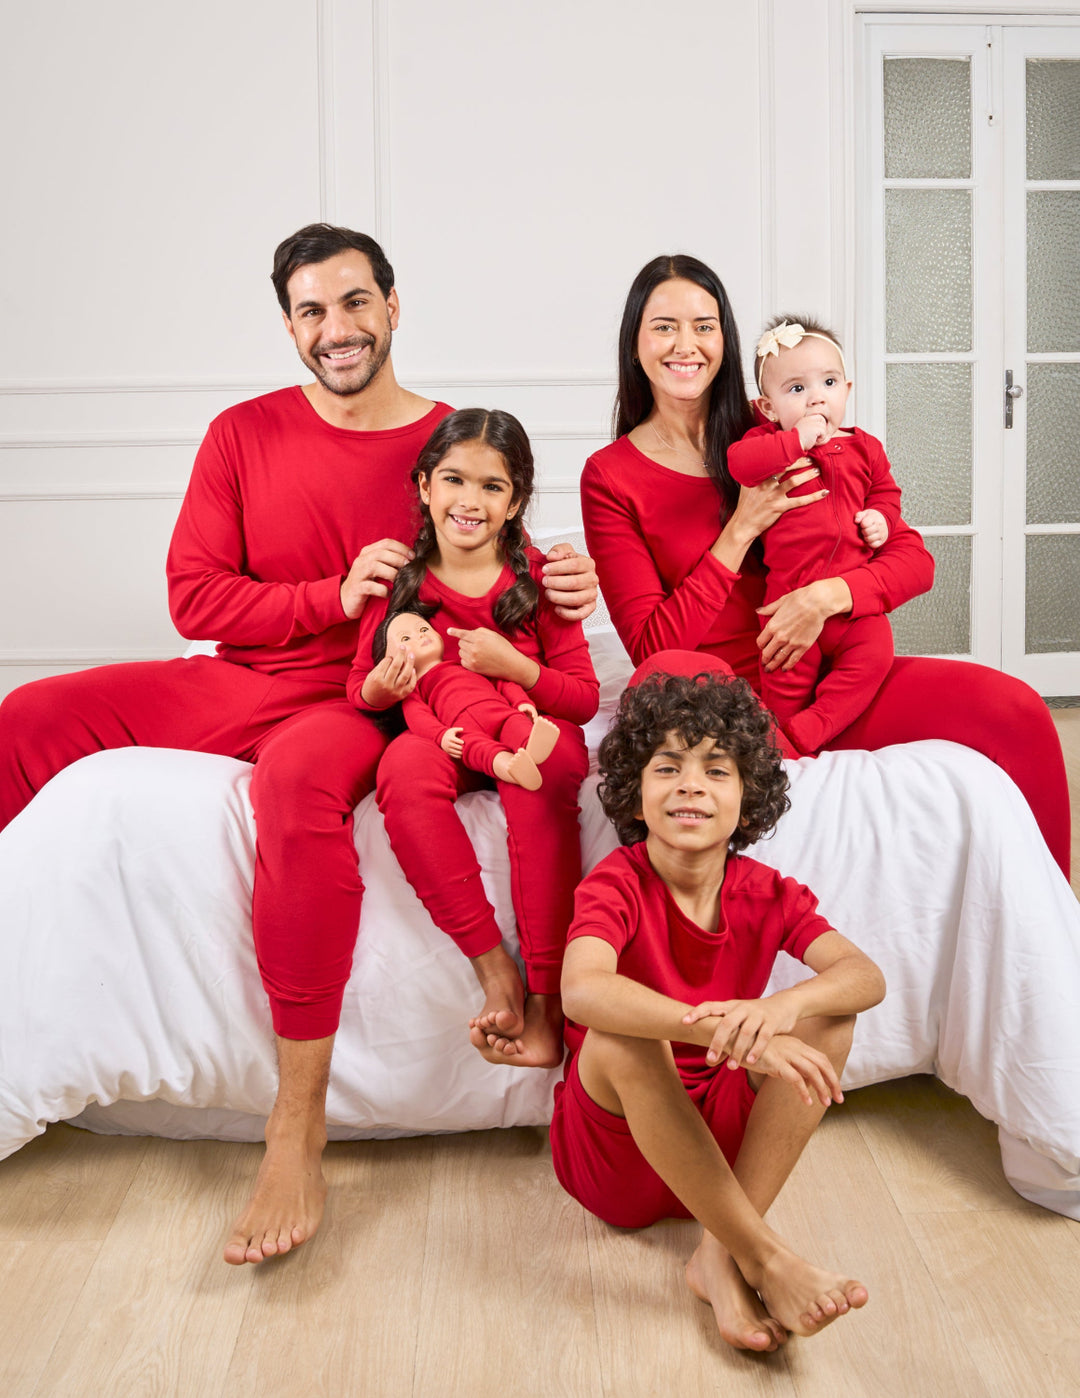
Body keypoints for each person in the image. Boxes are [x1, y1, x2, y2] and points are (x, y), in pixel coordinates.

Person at [0, 224, 598, 1265]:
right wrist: (329, 593)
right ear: (289, 324)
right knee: (29, 720)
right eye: (312, 311)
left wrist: (562, 584)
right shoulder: (241, 433)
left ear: (394, 308)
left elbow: (492, 547)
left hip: (360, 700)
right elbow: (194, 593)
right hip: (244, 674)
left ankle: (297, 1121)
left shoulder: (444, 442)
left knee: (293, 795)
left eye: (355, 303)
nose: (336, 329)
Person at [579, 254, 1070, 876]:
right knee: (669, 672)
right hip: (715, 691)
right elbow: (653, 646)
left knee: (1015, 710)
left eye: (705, 326)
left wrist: (827, 597)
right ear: (635, 341)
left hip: (828, 678)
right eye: (664, 326)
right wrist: (741, 528)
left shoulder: (791, 425)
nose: (686, 344)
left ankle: (1058, 937)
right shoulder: (612, 474)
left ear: (726, 341)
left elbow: (912, 558)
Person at [551, 666, 884, 1351]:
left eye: (717, 770)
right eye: (667, 768)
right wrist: (726, 1027)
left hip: (727, 1154)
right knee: (619, 1038)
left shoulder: (767, 891)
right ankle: (765, 1256)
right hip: (617, 1160)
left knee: (830, 1019)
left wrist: (783, 1008)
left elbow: (863, 977)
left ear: (747, 799)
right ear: (636, 798)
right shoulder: (615, 884)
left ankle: (717, 1252)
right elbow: (582, 991)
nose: (691, 784)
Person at [349, 409, 599, 1066]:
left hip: (525, 727)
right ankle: (496, 976)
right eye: (455, 480)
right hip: (442, 736)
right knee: (400, 771)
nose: (470, 500)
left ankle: (548, 1007)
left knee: (549, 770)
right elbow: (359, 690)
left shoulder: (540, 579)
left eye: (492, 486)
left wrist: (514, 667)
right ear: (426, 485)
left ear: (516, 501)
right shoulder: (401, 582)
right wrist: (387, 683)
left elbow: (583, 698)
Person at [726, 316, 902, 755]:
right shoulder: (768, 443)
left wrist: (882, 515)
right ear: (768, 408)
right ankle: (778, 746)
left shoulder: (866, 447)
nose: (816, 398)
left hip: (852, 611)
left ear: (847, 389)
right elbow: (740, 464)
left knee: (874, 657)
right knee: (781, 679)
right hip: (787, 604)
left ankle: (811, 731)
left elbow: (886, 491)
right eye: (797, 389)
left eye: (828, 382)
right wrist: (796, 440)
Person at [371, 609, 561, 789]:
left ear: (438, 635)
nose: (420, 635)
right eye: (406, 638)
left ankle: (532, 746)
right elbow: (419, 719)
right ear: (389, 661)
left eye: (424, 629)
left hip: (499, 710)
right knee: (478, 750)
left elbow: (501, 681)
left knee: (515, 723)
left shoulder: (466, 663)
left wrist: (521, 701)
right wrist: (441, 735)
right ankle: (511, 769)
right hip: (463, 729)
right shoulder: (414, 691)